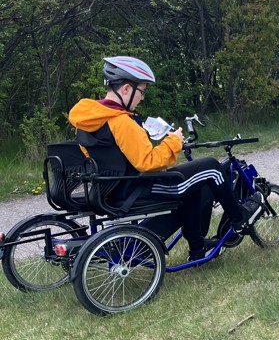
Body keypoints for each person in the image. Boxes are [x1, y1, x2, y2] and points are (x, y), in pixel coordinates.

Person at [68, 56, 264, 261]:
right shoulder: (121, 122)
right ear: (126, 89)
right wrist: (174, 141)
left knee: (193, 185)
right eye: (142, 91)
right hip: (138, 189)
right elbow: (148, 163)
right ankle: (240, 219)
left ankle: (198, 248)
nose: (142, 97)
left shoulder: (90, 119)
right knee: (212, 167)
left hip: (112, 188)